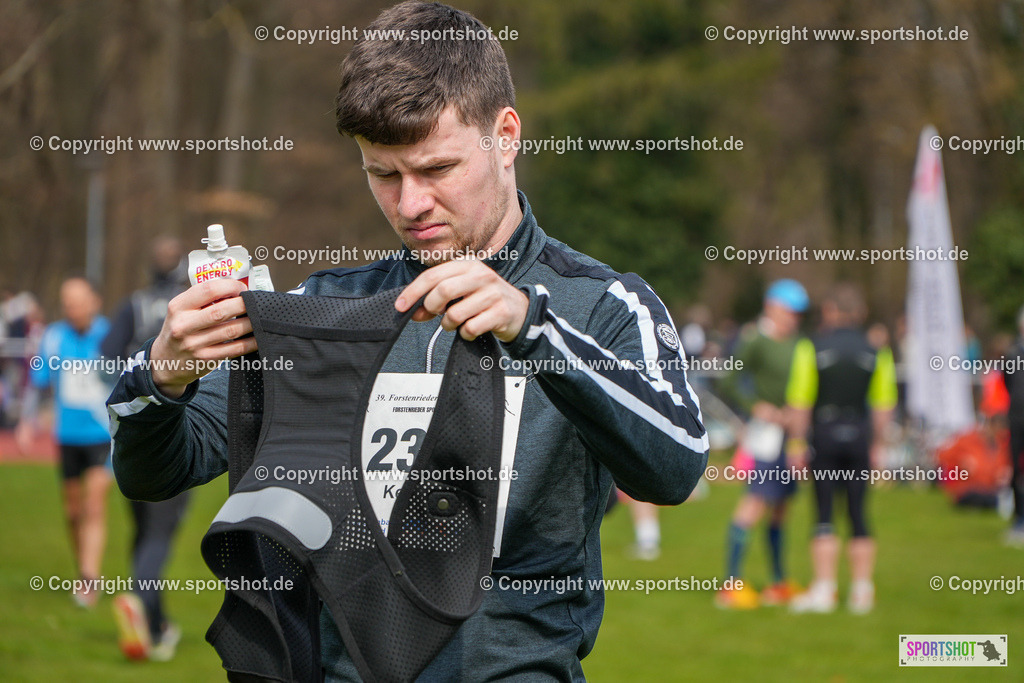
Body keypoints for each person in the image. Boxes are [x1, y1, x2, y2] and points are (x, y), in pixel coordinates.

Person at [106, 2, 709, 679]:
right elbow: (156, 471)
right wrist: (161, 377)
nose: (410, 204)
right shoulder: (324, 306)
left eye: (437, 169)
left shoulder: (596, 305)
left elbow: (677, 464)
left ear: (505, 136)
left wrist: (532, 327)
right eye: (383, 175)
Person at [101, 237, 189, 660]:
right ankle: (142, 604)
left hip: (132, 438)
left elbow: (105, 358)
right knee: (159, 535)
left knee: (142, 530)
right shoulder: (191, 304)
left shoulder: (133, 304)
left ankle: (155, 621)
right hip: (178, 435)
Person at [786, 283, 897, 614]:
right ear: (860, 313)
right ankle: (862, 590)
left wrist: (795, 442)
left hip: (825, 433)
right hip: (860, 434)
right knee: (859, 512)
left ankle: (825, 588)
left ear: (830, 311)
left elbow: (800, 400)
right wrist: (879, 444)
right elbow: (883, 405)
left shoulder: (812, 347)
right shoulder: (877, 351)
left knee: (823, 512)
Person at [715, 278, 808, 609]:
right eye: (789, 311)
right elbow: (729, 379)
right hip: (767, 435)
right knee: (754, 503)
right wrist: (757, 406)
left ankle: (779, 581)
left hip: (791, 437)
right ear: (772, 306)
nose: (793, 318)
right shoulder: (756, 340)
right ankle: (730, 584)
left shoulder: (798, 343)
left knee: (781, 508)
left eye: (798, 313)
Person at [18, 277, 112, 607]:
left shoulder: (110, 335)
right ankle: (83, 571)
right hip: (67, 436)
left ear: (94, 301)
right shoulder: (53, 337)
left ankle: (90, 578)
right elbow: (38, 382)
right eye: (67, 302)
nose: (72, 308)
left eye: (78, 301)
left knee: (94, 504)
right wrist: (28, 422)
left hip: (103, 435)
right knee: (73, 511)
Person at [1002, 306, 1024, 547]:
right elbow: (1009, 383)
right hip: (1017, 421)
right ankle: (1019, 519)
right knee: (1016, 472)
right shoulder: (1012, 355)